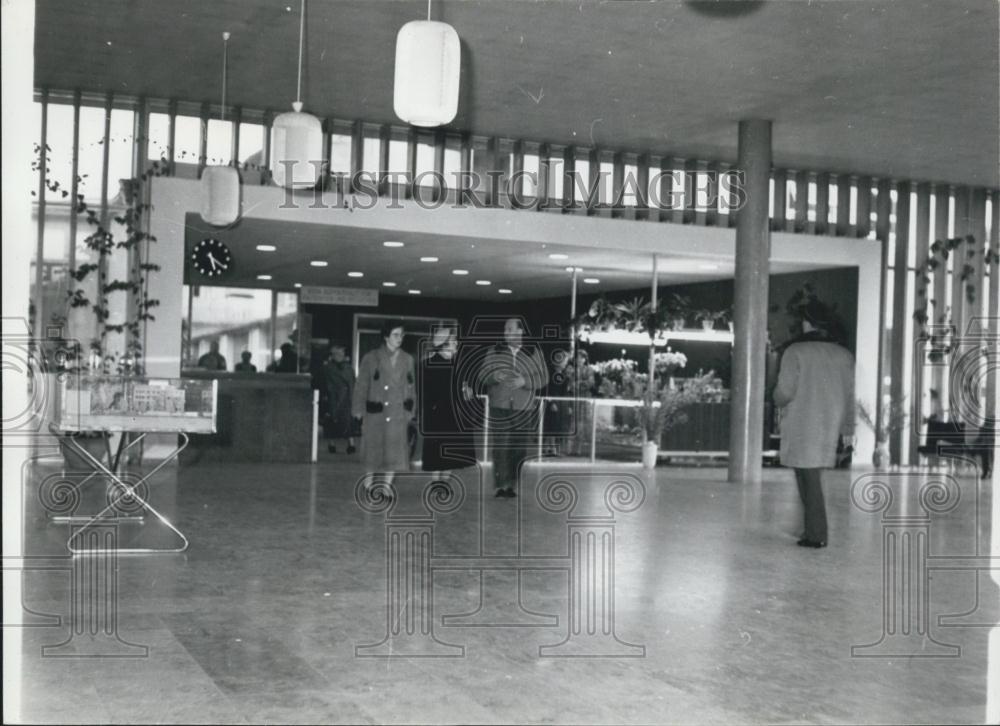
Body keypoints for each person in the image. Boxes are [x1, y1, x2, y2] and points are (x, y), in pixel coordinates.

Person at [773, 299, 855, 549]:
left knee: (807, 478)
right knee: (810, 476)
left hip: (802, 421)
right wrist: (848, 428)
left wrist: (775, 398)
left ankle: (817, 534)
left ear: (807, 323)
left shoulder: (795, 352)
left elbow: (784, 392)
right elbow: (850, 396)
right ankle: (811, 529)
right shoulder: (844, 355)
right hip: (829, 423)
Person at [480, 318, 549, 498]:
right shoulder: (494, 351)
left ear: (520, 331)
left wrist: (525, 381)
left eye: (510, 329)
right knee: (500, 446)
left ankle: (512, 485)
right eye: (505, 329)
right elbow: (482, 375)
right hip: (499, 405)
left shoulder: (534, 352)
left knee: (518, 447)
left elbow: (544, 378)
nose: (506, 332)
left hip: (523, 408)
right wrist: (494, 376)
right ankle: (500, 486)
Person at [352, 320, 416, 495]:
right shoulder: (371, 358)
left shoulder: (407, 359)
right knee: (373, 451)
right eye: (395, 335)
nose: (399, 338)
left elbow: (411, 386)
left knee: (394, 453)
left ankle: (387, 487)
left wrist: (410, 410)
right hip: (376, 411)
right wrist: (358, 409)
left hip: (397, 412)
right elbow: (361, 385)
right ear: (386, 336)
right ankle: (368, 483)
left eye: (402, 335)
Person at [420, 325, 476, 474]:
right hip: (437, 419)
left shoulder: (459, 365)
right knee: (436, 457)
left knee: (452, 457)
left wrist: (468, 393)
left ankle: (444, 483)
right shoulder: (428, 365)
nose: (456, 343)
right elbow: (424, 394)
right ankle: (436, 483)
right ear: (443, 344)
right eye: (453, 341)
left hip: (455, 418)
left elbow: (464, 388)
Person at [322, 343, 356, 454]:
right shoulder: (329, 368)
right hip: (334, 397)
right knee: (333, 420)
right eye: (337, 354)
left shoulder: (346, 368)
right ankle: (333, 444)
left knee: (346, 422)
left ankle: (350, 444)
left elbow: (352, 383)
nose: (340, 356)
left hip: (345, 398)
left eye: (341, 353)